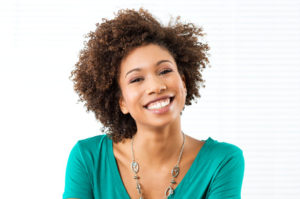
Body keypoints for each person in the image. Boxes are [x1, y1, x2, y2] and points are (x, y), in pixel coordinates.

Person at [63, 8, 245, 199]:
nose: (156, 87)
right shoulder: (88, 159)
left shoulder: (222, 161)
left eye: (165, 71)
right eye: (136, 79)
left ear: (183, 82)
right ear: (122, 102)